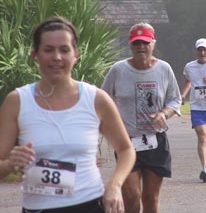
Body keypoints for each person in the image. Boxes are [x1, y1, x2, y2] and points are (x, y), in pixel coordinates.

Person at [0, 16, 136, 213]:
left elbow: (126, 150)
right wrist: (11, 164)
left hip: (89, 204)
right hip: (38, 209)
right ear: (35, 55)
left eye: (64, 50)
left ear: (76, 55)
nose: (57, 57)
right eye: (48, 50)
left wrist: (115, 185)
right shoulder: (17, 102)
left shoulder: (96, 99)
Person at [102, 22, 181, 213]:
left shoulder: (164, 69)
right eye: (136, 43)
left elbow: (175, 99)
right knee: (131, 197)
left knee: (151, 198)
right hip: (127, 143)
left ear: (153, 43)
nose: (141, 47)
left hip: (155, 141)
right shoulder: (118, 70)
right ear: (130, 45)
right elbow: (103, 99)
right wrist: (112, 125)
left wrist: (164, 114)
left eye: (145, 43)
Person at [181, 38, 206, 182]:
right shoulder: (189, 67)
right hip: (197, 107)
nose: (202, 52)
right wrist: (183, 95)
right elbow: (188, 82)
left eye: (205, 49)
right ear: (196, 51)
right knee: (202, 137)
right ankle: (205, 169)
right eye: (199, 49)